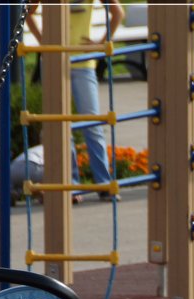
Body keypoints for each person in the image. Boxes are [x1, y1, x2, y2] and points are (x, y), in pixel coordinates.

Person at [26, 0, 123, 202]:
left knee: (92, 123)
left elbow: (118, 13)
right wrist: (42, 40)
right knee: (62, 124)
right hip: (54, 60)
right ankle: (72, 185)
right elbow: (28, 12)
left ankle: (104, 183)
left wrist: (100, 44)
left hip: (82, 62)